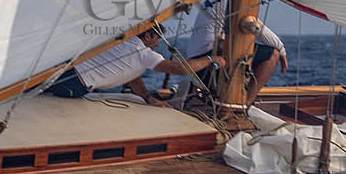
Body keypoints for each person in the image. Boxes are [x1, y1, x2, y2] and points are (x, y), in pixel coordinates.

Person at [43, 25, 221, 103]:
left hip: (68, 76)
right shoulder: (142, 53)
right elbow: (180, 69)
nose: (158, 44)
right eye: (157, 39)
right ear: (148, 36)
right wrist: (212, 59)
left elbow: (132, 76)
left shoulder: (124, 43)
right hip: (73, 85)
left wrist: (148, 98)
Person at [183, 0, 287, 105]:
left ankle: (212, 95)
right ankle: (245, 103)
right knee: (273, 54)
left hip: (198, 69)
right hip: (209, 66)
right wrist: (281, 50)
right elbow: (252, 23)